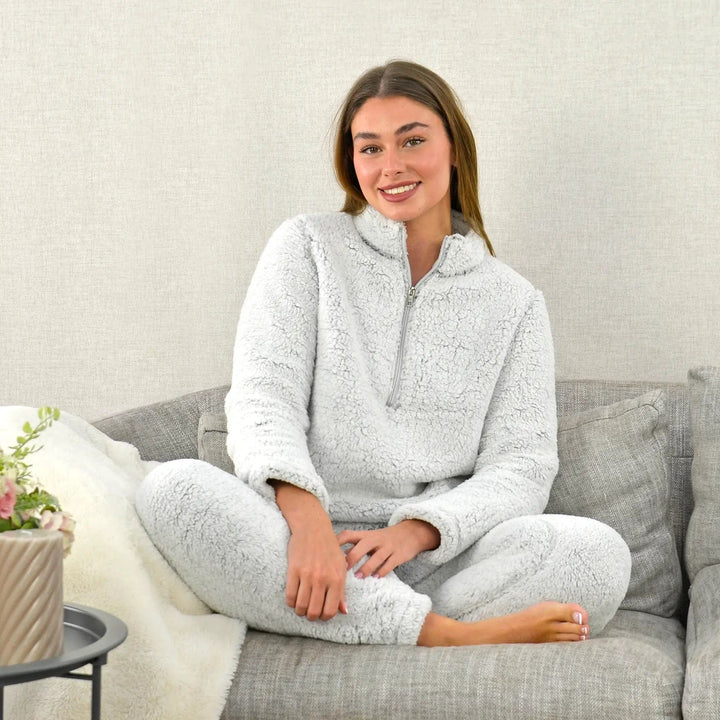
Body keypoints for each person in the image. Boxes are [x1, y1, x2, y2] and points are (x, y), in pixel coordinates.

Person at [137, 60, 631, 647]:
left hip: (439, 555)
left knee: (596, 554)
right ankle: (442, 635)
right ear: (352, 162)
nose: (390, 167)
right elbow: (264, 398)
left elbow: (521, 467)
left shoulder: (515, 302)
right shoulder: (307, 246)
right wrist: (310, 525)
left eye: (413, 141)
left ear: (453, 148)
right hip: (294, 538)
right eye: (369, 148)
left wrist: (418, 531)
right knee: (173, 491)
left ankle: (369, 620)